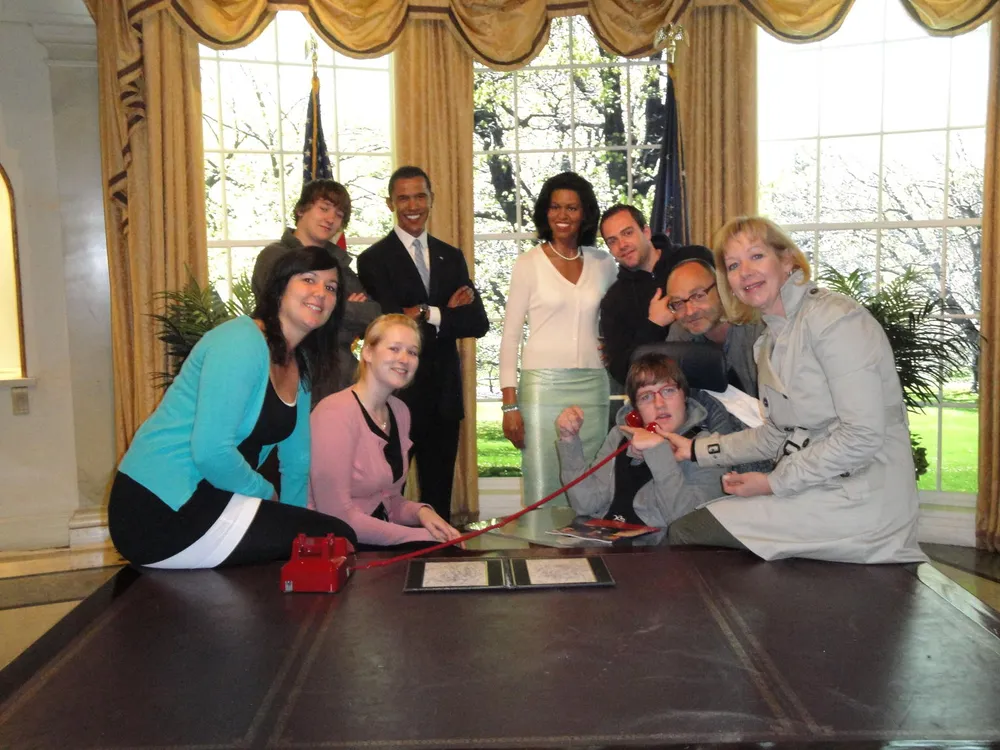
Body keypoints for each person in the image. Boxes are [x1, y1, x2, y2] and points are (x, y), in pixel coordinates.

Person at [663, 216, 925, 564]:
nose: (745, 272)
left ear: (787, 260)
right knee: (693, 526)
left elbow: (861, 435)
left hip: (863, 499)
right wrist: (696, 450)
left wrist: (774, 483)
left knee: (688, 532)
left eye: (757, 256)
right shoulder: (770, 341)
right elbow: (775, 435)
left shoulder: (835, 320)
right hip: (818, 488)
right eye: (733, 265)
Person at [108, 246, 358, 568]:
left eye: (331, 287)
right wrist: (266, 494)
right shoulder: (239, 342)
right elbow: (211, 452)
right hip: (157, 508)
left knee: (329, 536)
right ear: (280, 287)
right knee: (336, 535)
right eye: (308, 279)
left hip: (214, 496)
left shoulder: (302, 363)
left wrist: (294, 520)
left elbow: (297, 460)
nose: (320, 293)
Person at [357, 166, 489, 523]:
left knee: (439, 501)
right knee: (387, 495)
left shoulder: (451, 256)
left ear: (431, 199)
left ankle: (442, 565)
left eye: (420, 196)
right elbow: (388, 327)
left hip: (444, 396)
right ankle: (390, 569)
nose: (412, 205)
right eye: (403, 198)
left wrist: (423, 312)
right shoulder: (372, 260)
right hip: (396, 396)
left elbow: (477, 323)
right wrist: (446, 314)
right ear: (390, 204)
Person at [499, 172, 617, 507]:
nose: (562, 215)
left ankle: (587, 554)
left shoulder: (604, 263)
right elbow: (509, 338)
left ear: (585, 214)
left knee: (589, 483)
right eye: (555, 207)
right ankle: (540, 554)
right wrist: (510, 405)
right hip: (542, 389)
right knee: (545, 484)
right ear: (545, 212)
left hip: (593, 387)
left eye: (572, 208)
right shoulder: (528, 264)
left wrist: (615, 346)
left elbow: (619, 316)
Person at [309, 314, 462, 546]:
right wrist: (421, 536)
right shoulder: (334, 413)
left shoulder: (399, 412)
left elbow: (387, 500)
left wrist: (423, 513)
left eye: (412, 352)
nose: (404, 359)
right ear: (368, 353)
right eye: (394, 348)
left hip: (378, 546)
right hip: (338, 553)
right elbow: (336, 517)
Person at [556, 352, 725, 528]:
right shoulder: (620, 436)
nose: (659, 404)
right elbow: (586, 505)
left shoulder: (706, 448)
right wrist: (570, 442)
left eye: (668, 391)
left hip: (655, 550)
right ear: (636, 410)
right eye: (646, 396)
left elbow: (690, 524)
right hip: (605, 540)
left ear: (684, 397)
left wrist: (658, 452)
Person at [252, 179, 380, 398]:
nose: (331, 219)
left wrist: (327, 313)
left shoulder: (339, 264)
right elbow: (290, 315)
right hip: (289, 377)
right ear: (301, 209)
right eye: (324, 208)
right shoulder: (274, 256)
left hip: (340, 380)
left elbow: (373, 315)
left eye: (339, 215)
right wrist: (344, 308)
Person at [598, 204, 713, 386]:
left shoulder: (694, 258)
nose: (622, 245)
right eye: (612, 241)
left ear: (646, 232)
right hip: (663, 396)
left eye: (627, 233)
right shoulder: (613, 302)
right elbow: (621, 372)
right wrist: (653, 325)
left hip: (727, 381)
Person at [665, 257, 764, 397]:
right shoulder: (680, 336)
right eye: (678, 303)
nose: (690, 312)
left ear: (721, 289)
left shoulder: (757, 328)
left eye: (698, 296)